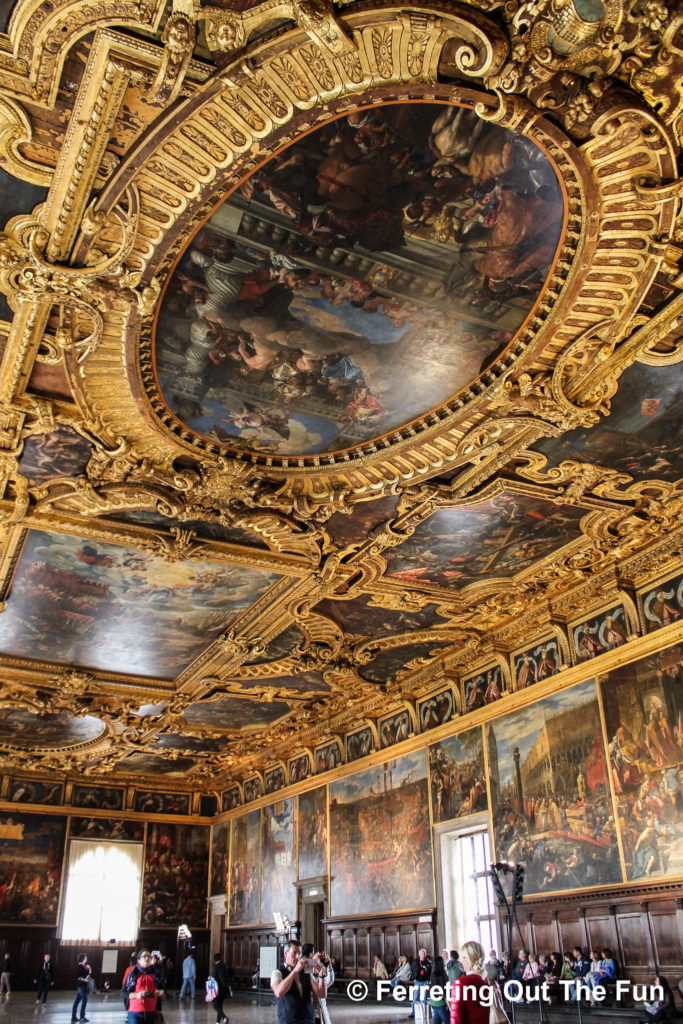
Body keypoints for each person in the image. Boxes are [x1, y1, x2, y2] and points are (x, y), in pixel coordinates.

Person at [271, 940, 326, 1024]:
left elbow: (322, 994)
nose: (297, 957)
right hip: (288, 1020)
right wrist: (294, 972)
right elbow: (278, 992)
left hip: (308, 1019)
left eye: (299, 953)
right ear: (286, 954)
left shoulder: (306, 972)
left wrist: (322, 975)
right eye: (294, 953)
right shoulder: (277, 972)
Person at [450, 940, 500, 1024]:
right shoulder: (493, 983)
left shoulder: (461, 983)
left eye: (462, 957)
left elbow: (456, 1019)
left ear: (467, 959)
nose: (461, 961)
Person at [124, 949, 165, 1024]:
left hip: (151, 1012)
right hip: (135, 1012)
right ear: (138, 960)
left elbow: (162, 989)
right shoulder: (133, 973)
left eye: (149, 956)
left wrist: (159, 992)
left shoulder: (156, 973)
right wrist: (137, 995)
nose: (147, 958)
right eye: (144, 956)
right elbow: (124, 992)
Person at [410, 948, 432, 1018]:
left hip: (425, 981)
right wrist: (413, 978)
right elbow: (412, 970)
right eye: (421, 953)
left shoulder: (428, 962)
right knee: (415, 997)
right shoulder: (415, 962)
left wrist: (429, 980)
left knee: (424, 997)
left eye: (424, 953)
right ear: (419, 954)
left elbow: (430, 972)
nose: (422, 955)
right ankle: (414, 1013)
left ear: (425, 954)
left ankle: (424, 1012)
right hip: (418, 981)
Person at [428, 956, 450, 1024]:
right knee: (448, 1021)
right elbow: (444, 988)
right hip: (440, 1002)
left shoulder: (432, 974)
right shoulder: (442, 975)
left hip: (433, 1001)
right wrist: (447, 1001)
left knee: (437, 1021)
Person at [211, 953, 231, 1024]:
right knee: (220, 1005)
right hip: (223, 989)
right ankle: (217, 1022)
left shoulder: (216, 967)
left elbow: (216, 977)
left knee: (215, 1005)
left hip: (217, 989)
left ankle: (224, 1017)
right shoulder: (224, 966)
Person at [72, 954, 91, 1024]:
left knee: (77, 1001)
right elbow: (77, 976)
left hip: (83, 986)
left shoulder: (85, 966)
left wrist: (88, 976)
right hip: (81, 986)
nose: (86, 958)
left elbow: (87, 974)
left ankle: (74, 1016)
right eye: (85, 957)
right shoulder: (79, 966)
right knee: (84, 1001)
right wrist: (84, 980)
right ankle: (82, 1016)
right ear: (83, 959)